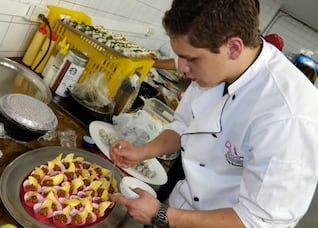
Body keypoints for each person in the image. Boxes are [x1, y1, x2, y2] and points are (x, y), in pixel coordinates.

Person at [109, 0, 318, 227]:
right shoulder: (216, 69)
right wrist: (141, 152)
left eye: (192, 59)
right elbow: (183, 124)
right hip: (182, 207)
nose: (181, 68)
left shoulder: (290, 116)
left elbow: (257, 221)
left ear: (234, 48)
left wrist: (162, 214)